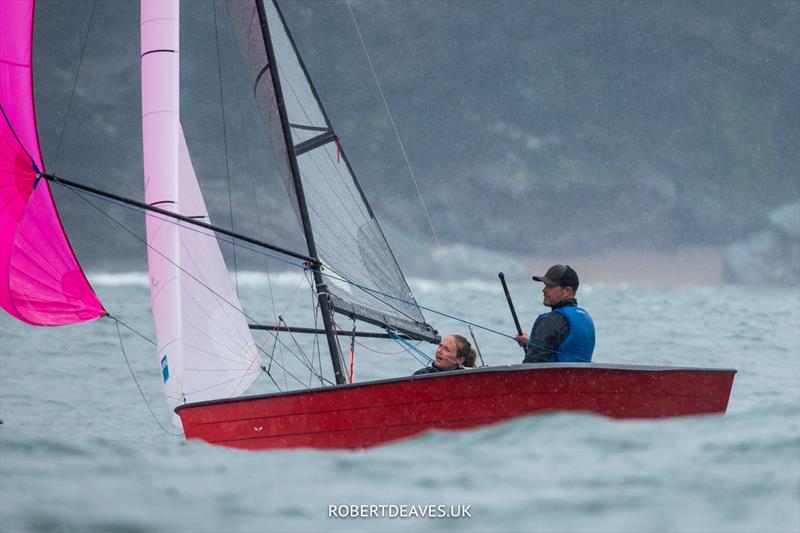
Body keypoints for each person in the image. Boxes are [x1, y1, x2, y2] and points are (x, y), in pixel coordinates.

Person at [514, 264, 595, 363]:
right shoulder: (586, 318)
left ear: (567, 291)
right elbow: (568, 350)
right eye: (545, 285)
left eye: (550, 286)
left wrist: (533, 348)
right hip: (581, 377)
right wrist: (531, 343)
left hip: (555, 377)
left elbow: (531, 366)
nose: (544, 290)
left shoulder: (550, 321)